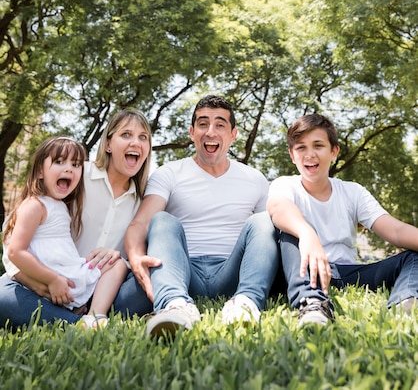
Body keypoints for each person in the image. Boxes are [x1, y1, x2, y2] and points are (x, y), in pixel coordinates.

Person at [125, 94, 279, 337]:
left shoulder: (255, 179)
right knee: (163, 219)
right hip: (183, 271)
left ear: (233, 134)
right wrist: (135, 258)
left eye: (220, 125)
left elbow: (267, 237)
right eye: (203, 124)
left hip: (232, 270)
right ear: (192, 132)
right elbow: (141, 223)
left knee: (263, 220)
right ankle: (175, 306)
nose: (211, 132)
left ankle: (246, 303)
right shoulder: (169, 173)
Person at [0, 108, 153, 328]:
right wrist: (38, 282)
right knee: (3, 297)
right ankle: (79, 324)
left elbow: (136, 256)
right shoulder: (77, 177)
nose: (136, 143)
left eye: (143, 137)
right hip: (47, 287)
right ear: (108, 144)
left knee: (146, 285)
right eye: (126, 134)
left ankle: (89, 318)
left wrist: (119, 259)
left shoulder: (142, 202)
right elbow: (12, 237)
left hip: (101, 292)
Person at [267, 113, 418, 326]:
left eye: (318, 146)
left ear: (334, 152)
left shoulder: (352, 191)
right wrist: (307, 234)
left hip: (348, 273)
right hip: (305, 272)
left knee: (413, 256)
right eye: (301, 148)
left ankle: (405, 303)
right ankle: (312, 302)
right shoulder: (285, 185)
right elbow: (278, 208)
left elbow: (395, 230)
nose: (309, 154)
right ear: (292, 155)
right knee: (289, 230)